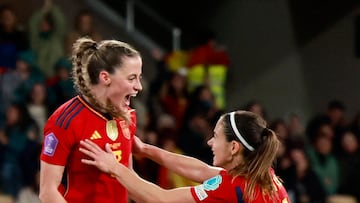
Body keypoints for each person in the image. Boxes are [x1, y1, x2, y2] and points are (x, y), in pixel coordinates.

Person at [80, 110, 290, 203]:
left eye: (215, 137)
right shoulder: (263, 175)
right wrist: (145, 149)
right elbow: (202, 171)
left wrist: (115, 167)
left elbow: (160, 199)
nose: (209, 142)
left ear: (234, 147)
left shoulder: (231, 188)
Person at [39, 37, 143, 203]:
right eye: (131, 78)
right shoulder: (65, 121)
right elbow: (48, 192)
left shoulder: (127, 116)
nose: (139, 86)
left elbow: (129, 178)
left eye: (139, 77)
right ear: (105, 77)